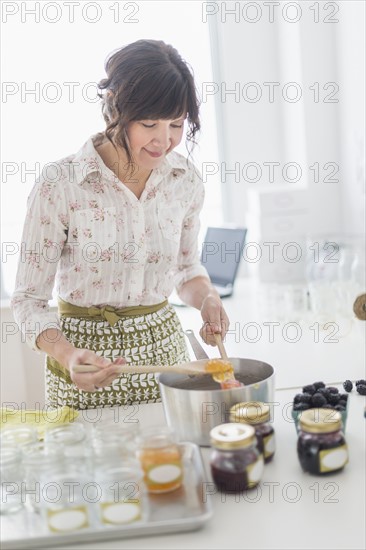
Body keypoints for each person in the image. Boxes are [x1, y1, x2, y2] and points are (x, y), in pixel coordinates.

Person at [11, 39, 229, 409]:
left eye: (176, 124)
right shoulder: (60, 184)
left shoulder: (185, 180)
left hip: (166, 361)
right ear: (114, 108)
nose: (165, 140)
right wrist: (66, 355)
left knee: (168, 464)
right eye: (149, 124)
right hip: (85, 366)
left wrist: (206, 298)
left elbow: (186, 269)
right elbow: (28, 301)